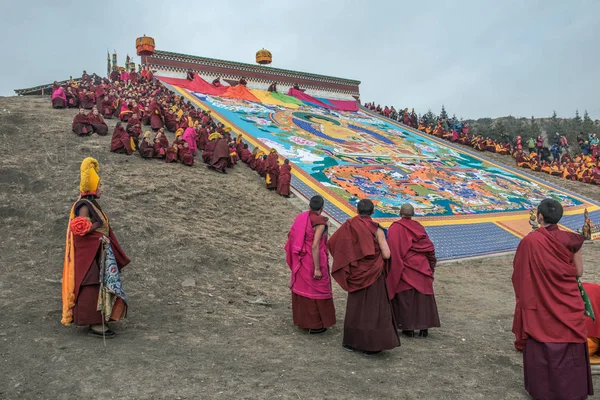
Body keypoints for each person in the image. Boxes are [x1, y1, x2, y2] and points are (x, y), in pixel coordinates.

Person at [512, 199, 593, 400]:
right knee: (569, 340)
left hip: (540, 302)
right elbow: (579, 272)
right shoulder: (572, 240)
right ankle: (572, 390)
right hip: (567, 300)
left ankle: (543, 390)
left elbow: (519, 274)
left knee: (542, 340)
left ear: (539, 216)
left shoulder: (530, 241)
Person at [62, 157, 129, 337]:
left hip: (97, 253)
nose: (101, 189)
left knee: (97, 284)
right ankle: (94, 323)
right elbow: (81, 232)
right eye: (99, 186)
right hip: (89, 256)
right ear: (92, 188)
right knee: (91, 285)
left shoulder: (91, 204)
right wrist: (100, 237)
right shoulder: (84, 206)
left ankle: (99, 320)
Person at [327, 199, 400, 355]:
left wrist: (349, 260)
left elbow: (332, 243)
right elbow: (386, 254)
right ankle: (370, 346)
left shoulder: (350, 225)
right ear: (373, 212)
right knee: (374, 309)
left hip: (357, 275)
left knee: (356, 309)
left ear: (357, 210)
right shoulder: (377, 230)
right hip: (374, 274)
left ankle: (351, 343)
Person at [284, 195, 336, 334]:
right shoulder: (319, 223)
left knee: (304, 290)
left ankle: (303, 321)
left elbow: (292, 235)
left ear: (309, 206)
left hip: (302, 259)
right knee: (317, 290)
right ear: (322, 208)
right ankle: (315, 324)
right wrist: (317, 268)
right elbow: (315, 246)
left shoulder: (302, 218)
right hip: (314, 260)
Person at [387, 204, 440, 337]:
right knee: (423, 298)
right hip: (421, 267)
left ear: (400, 213)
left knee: (406, 298)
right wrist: (431, 265)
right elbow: (429, 248)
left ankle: (408, 328)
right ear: (413, 214)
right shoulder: (418, 227)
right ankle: (424, 328)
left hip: (405, 268)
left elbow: (393, 250)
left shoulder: (395, 228)